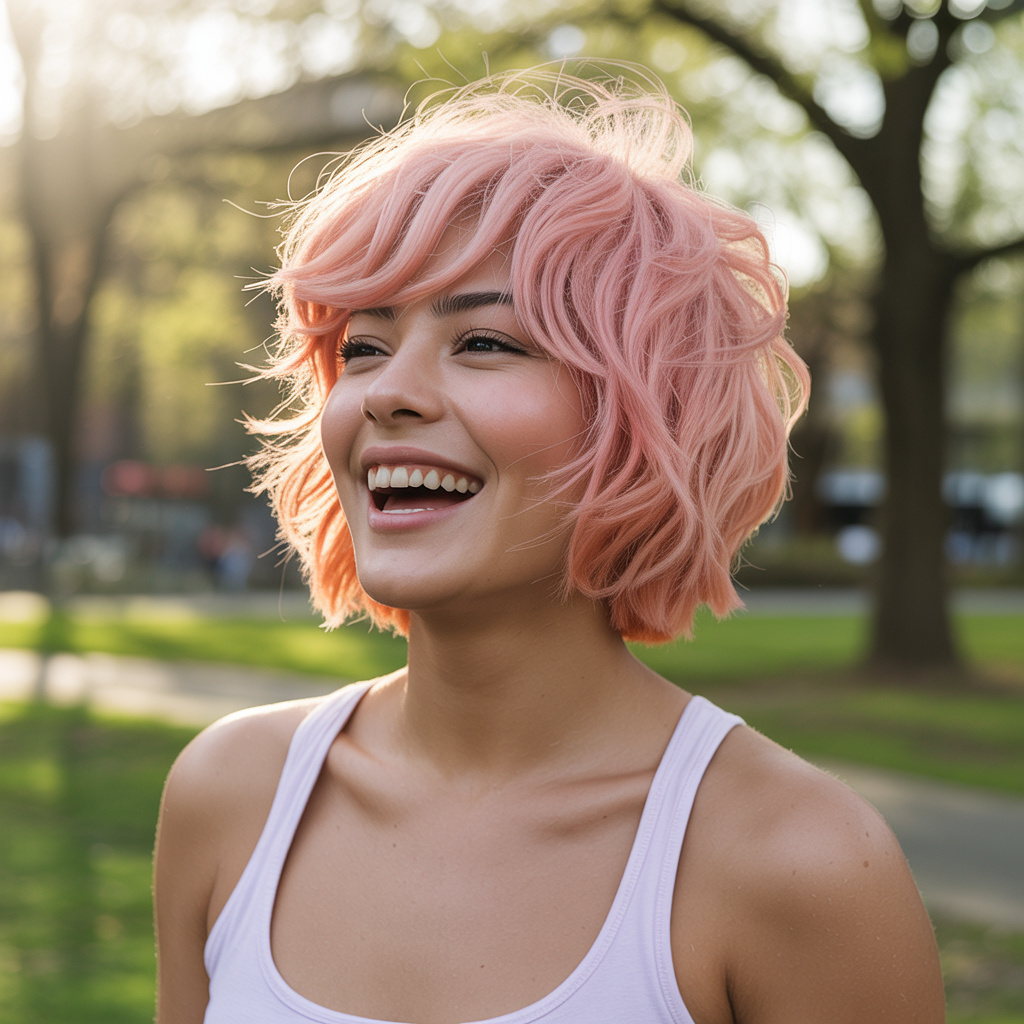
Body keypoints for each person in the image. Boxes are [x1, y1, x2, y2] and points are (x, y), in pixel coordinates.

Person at [153, 69, 946, 1024]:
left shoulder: (797, 863)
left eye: (485, 341)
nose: (387, 394)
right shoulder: (230, 795)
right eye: (364, 346)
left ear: (643, 418)